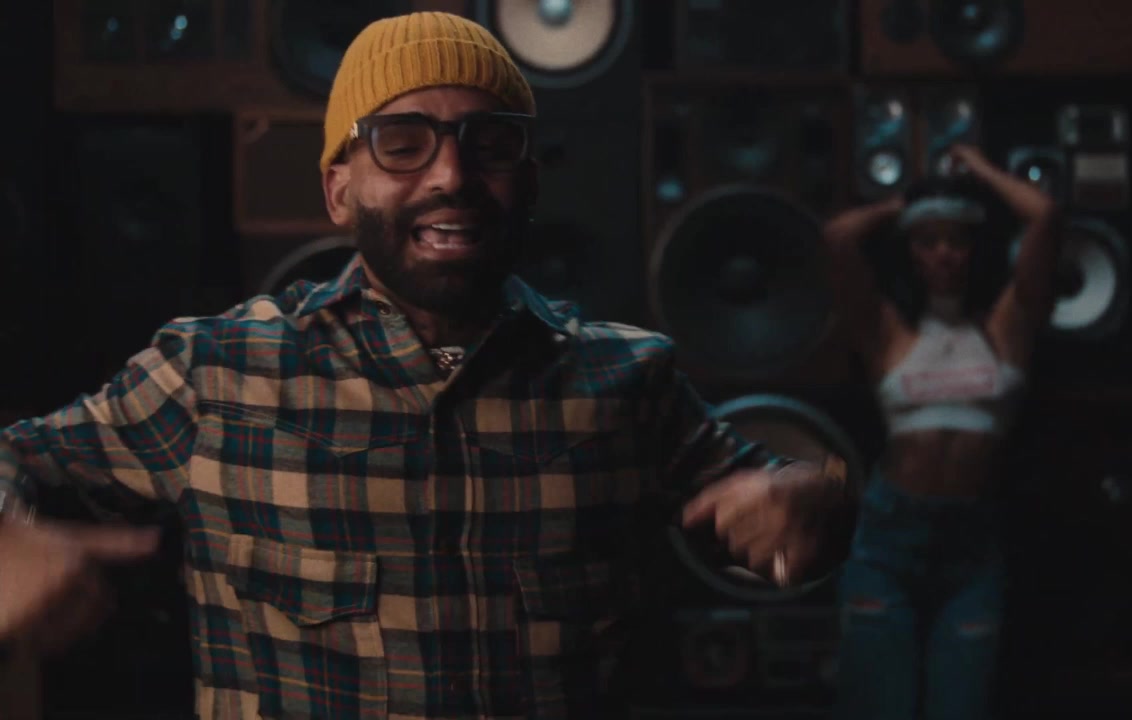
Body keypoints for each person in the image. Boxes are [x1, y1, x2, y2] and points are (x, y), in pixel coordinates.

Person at [0, 11, 853, 719]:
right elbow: (14, 461)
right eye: (402, 143)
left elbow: (792, 504)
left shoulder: (629, 380)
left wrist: (820, 499)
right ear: (339, 189)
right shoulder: (217, 373)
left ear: (528, 180)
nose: (452, 174)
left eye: (491, 143)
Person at [824, 145, 1061, 720]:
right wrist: (907, 203)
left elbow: (1045, 216)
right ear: (910, 251)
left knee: (961, 706)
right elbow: (837, 237)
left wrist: (977, 171)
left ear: (975, 247)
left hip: (971, 546)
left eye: (956, 239)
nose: (943, 253)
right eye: (927, 241)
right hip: (887, 539)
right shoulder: (887, 331)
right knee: (883, 707)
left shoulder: (1006, 325)